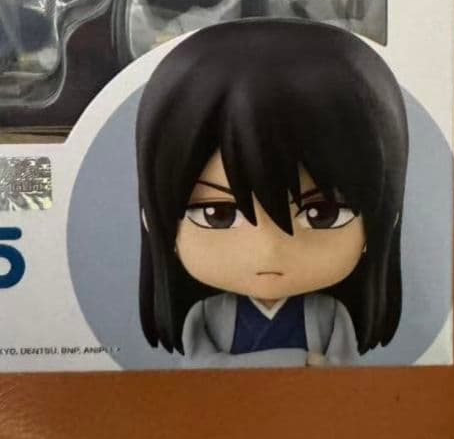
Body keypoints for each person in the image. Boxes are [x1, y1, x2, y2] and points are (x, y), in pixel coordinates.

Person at [136, 19, 408, 365]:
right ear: (154, 220)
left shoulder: (329, 315)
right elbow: (201, 367)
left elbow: (343, 370)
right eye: (218, 214)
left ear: (385, 218)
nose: (268, 250)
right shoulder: (206, 315)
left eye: (321, 214)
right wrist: (293, 361)